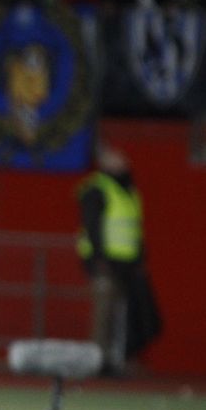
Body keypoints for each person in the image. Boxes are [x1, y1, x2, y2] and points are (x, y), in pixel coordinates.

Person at [77, 141, 159, 375]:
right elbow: (92, 226)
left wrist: (140, 258)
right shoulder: (97, 188)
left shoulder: (129, 191)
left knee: (121, 315)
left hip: (127, 264)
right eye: (118, 159)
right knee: (103, 314)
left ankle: (115, 361)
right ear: (105, 164)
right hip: (105, 263)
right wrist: (98, 258)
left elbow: (135, 229)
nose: (124, 163)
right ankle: (98, 363)